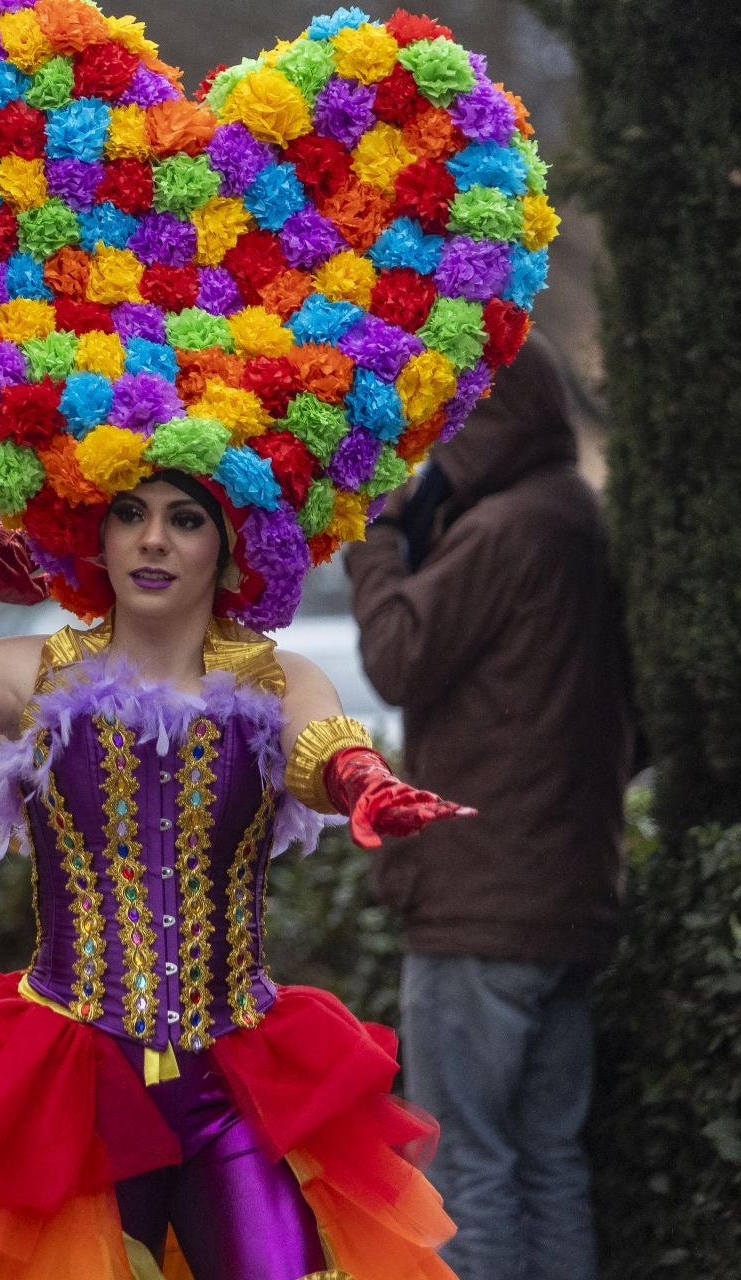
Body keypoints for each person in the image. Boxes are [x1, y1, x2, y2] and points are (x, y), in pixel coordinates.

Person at [0, 6, 560, 1275]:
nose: (154, 540)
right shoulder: (35, 678)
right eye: (130, 515)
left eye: (186, 518)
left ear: (233, 544)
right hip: (63, 1078)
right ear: (91, 537)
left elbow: (325, 744)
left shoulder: (268, 676)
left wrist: (367, 789)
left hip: (231, 1080)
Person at [345, 331, 635, 1280]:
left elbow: (393, 657)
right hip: (567, 899)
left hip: (480, 908)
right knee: (549, 1161)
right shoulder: (576, 517)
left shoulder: (504, 530)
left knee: (468, 1165)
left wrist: (380, 539)